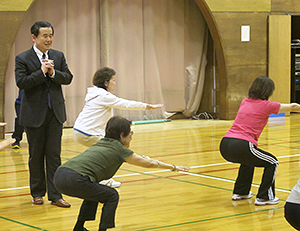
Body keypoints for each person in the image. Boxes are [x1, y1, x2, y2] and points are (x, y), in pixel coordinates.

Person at [54, 115, 189, 231]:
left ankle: (79, 228)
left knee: (94, 192)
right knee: (111, 195)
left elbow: (139, 158)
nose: (132, 135)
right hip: (76, 179)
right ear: (121, 135)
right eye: (130, 132)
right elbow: (149, 164)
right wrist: (173, 167)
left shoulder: (102, 142)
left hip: (59, 176)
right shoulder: (120, 149)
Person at [73, 67, 163, 188]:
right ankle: (103, 179)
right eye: (113, 80)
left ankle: (101, 178)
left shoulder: (96, 94)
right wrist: (146, 106)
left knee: (105, 153)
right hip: (87, 133)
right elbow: (125, 103)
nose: (114, 83)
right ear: (106, 82)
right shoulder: (103, 96)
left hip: (81, 131)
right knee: (113, 151)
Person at [15, 21, 73, 207]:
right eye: (44, 36)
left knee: (54, 156)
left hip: (55, 113)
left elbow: (68, 78)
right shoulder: (22, 58)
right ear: (34, 37)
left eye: (51, 36)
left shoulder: (58, 55)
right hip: (34, 115)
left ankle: (56, 195)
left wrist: (54, 73)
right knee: (36, 155)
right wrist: (41, 72)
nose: (48, 40)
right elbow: (22, 82)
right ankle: (37, 193)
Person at [219, 76, 300, 206]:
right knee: (272, 162)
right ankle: (264, 197)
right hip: (242, 144)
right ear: (268, 91)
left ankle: (241, 192)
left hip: (225, 144)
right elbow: (293, 106)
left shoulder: (245, 101)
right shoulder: (267, 106)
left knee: (248, 160)